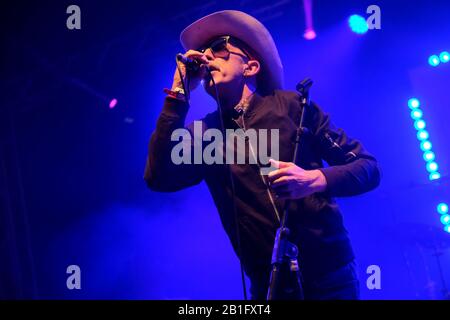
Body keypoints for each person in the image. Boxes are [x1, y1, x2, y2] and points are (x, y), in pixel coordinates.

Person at [144, 10, 381, 300]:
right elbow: (158, 177)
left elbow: (367, 167)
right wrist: (178, 93)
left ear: (251, 67)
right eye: (203, 52)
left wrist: (314, 179)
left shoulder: (293, 106)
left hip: (330, 278)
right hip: (269, 287)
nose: (206, 57)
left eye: (219, 48)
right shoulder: (204, 136)